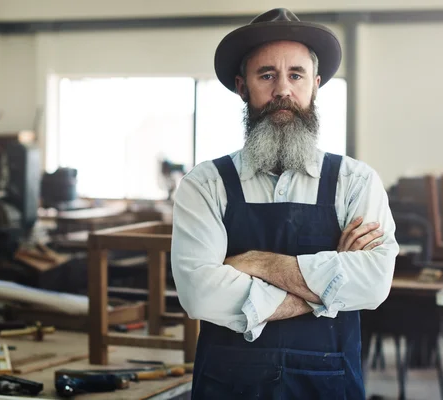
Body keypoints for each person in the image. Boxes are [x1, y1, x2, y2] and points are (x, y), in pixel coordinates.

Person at [170, 7, 399, 399]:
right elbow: (200, 294)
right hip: (228, 387)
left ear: (315, 85)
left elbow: (374, 284)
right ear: (243, 87)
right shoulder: (204, 185)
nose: (282, 90)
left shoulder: (355, 182)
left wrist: (257, 263)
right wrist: (328, 292)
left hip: (328, 386)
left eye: (296, 75)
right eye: (267, 76)